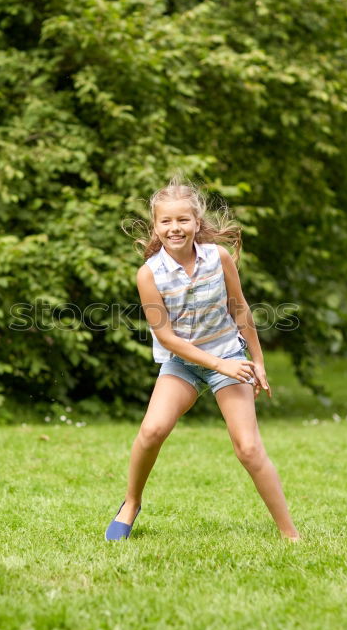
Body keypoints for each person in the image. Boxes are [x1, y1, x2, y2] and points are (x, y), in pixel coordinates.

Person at [105, 180, 300, 542]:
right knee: (151, 431)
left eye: (182, 220)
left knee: (248, 447)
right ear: (155, 226)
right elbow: (166, 338)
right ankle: (131, 503)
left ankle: (290, 534)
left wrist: (257, 361)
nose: (174, 228)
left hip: (228, 354)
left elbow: (239, 309)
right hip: (183, 363)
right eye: (165, 222)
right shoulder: (149, 274)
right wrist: (218, 364)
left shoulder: (218, 258)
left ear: (197, 222)